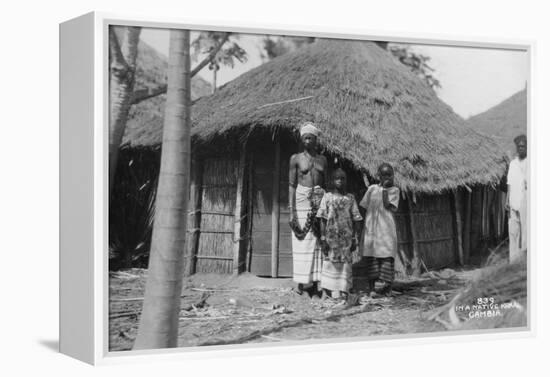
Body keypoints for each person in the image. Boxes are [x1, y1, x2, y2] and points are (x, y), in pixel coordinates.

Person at [288, 122, 328, 296]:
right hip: (301, 199)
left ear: (315, 139)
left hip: (319, 196)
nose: (307, 141)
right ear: (301, 139)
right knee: (301, 240)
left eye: (310, 138)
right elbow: (291, 185)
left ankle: (318, 281)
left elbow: (325, 183)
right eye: (305, 138)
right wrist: (292, 210)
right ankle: (300, 282)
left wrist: (325, 203)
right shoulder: (295, 158)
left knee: (318, 238)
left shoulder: (322, 160)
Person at [317, 168, 363, 301]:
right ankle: (326, 291)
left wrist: (355, 238)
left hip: (346, 239)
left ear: (346, 181)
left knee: (345, 264)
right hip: (331, 238)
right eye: (337, 178)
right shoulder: (327, 197)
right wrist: (323, 238)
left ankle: (344, 291)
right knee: (328, 262)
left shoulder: (350, 198)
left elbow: (357, 218)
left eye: (343, 178)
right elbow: (322, 218)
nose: (340, 181)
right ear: (332, 180)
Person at [359, 163, 400, 297]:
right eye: (384, 175)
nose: (388, 177)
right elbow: (364, 206)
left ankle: (387, 288)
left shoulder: (395, 191)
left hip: (386, 230)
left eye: (390, 174)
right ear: (379, 176)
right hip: (371, 228)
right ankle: (371, 288)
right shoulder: (371, 189)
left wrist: (384, 191)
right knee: (371, 258)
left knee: (387, 257)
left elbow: (390, 206)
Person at [506, 134, 527, 262]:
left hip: (525, 203)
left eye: (523, 146)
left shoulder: (530, 162)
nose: (520, 149)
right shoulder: (513, 163)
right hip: (513, 203)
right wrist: (507, 199)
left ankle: (524, 262)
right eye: (518, 146)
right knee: (513, 233)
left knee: (525, 234)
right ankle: (512, 261)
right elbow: (509, 182)